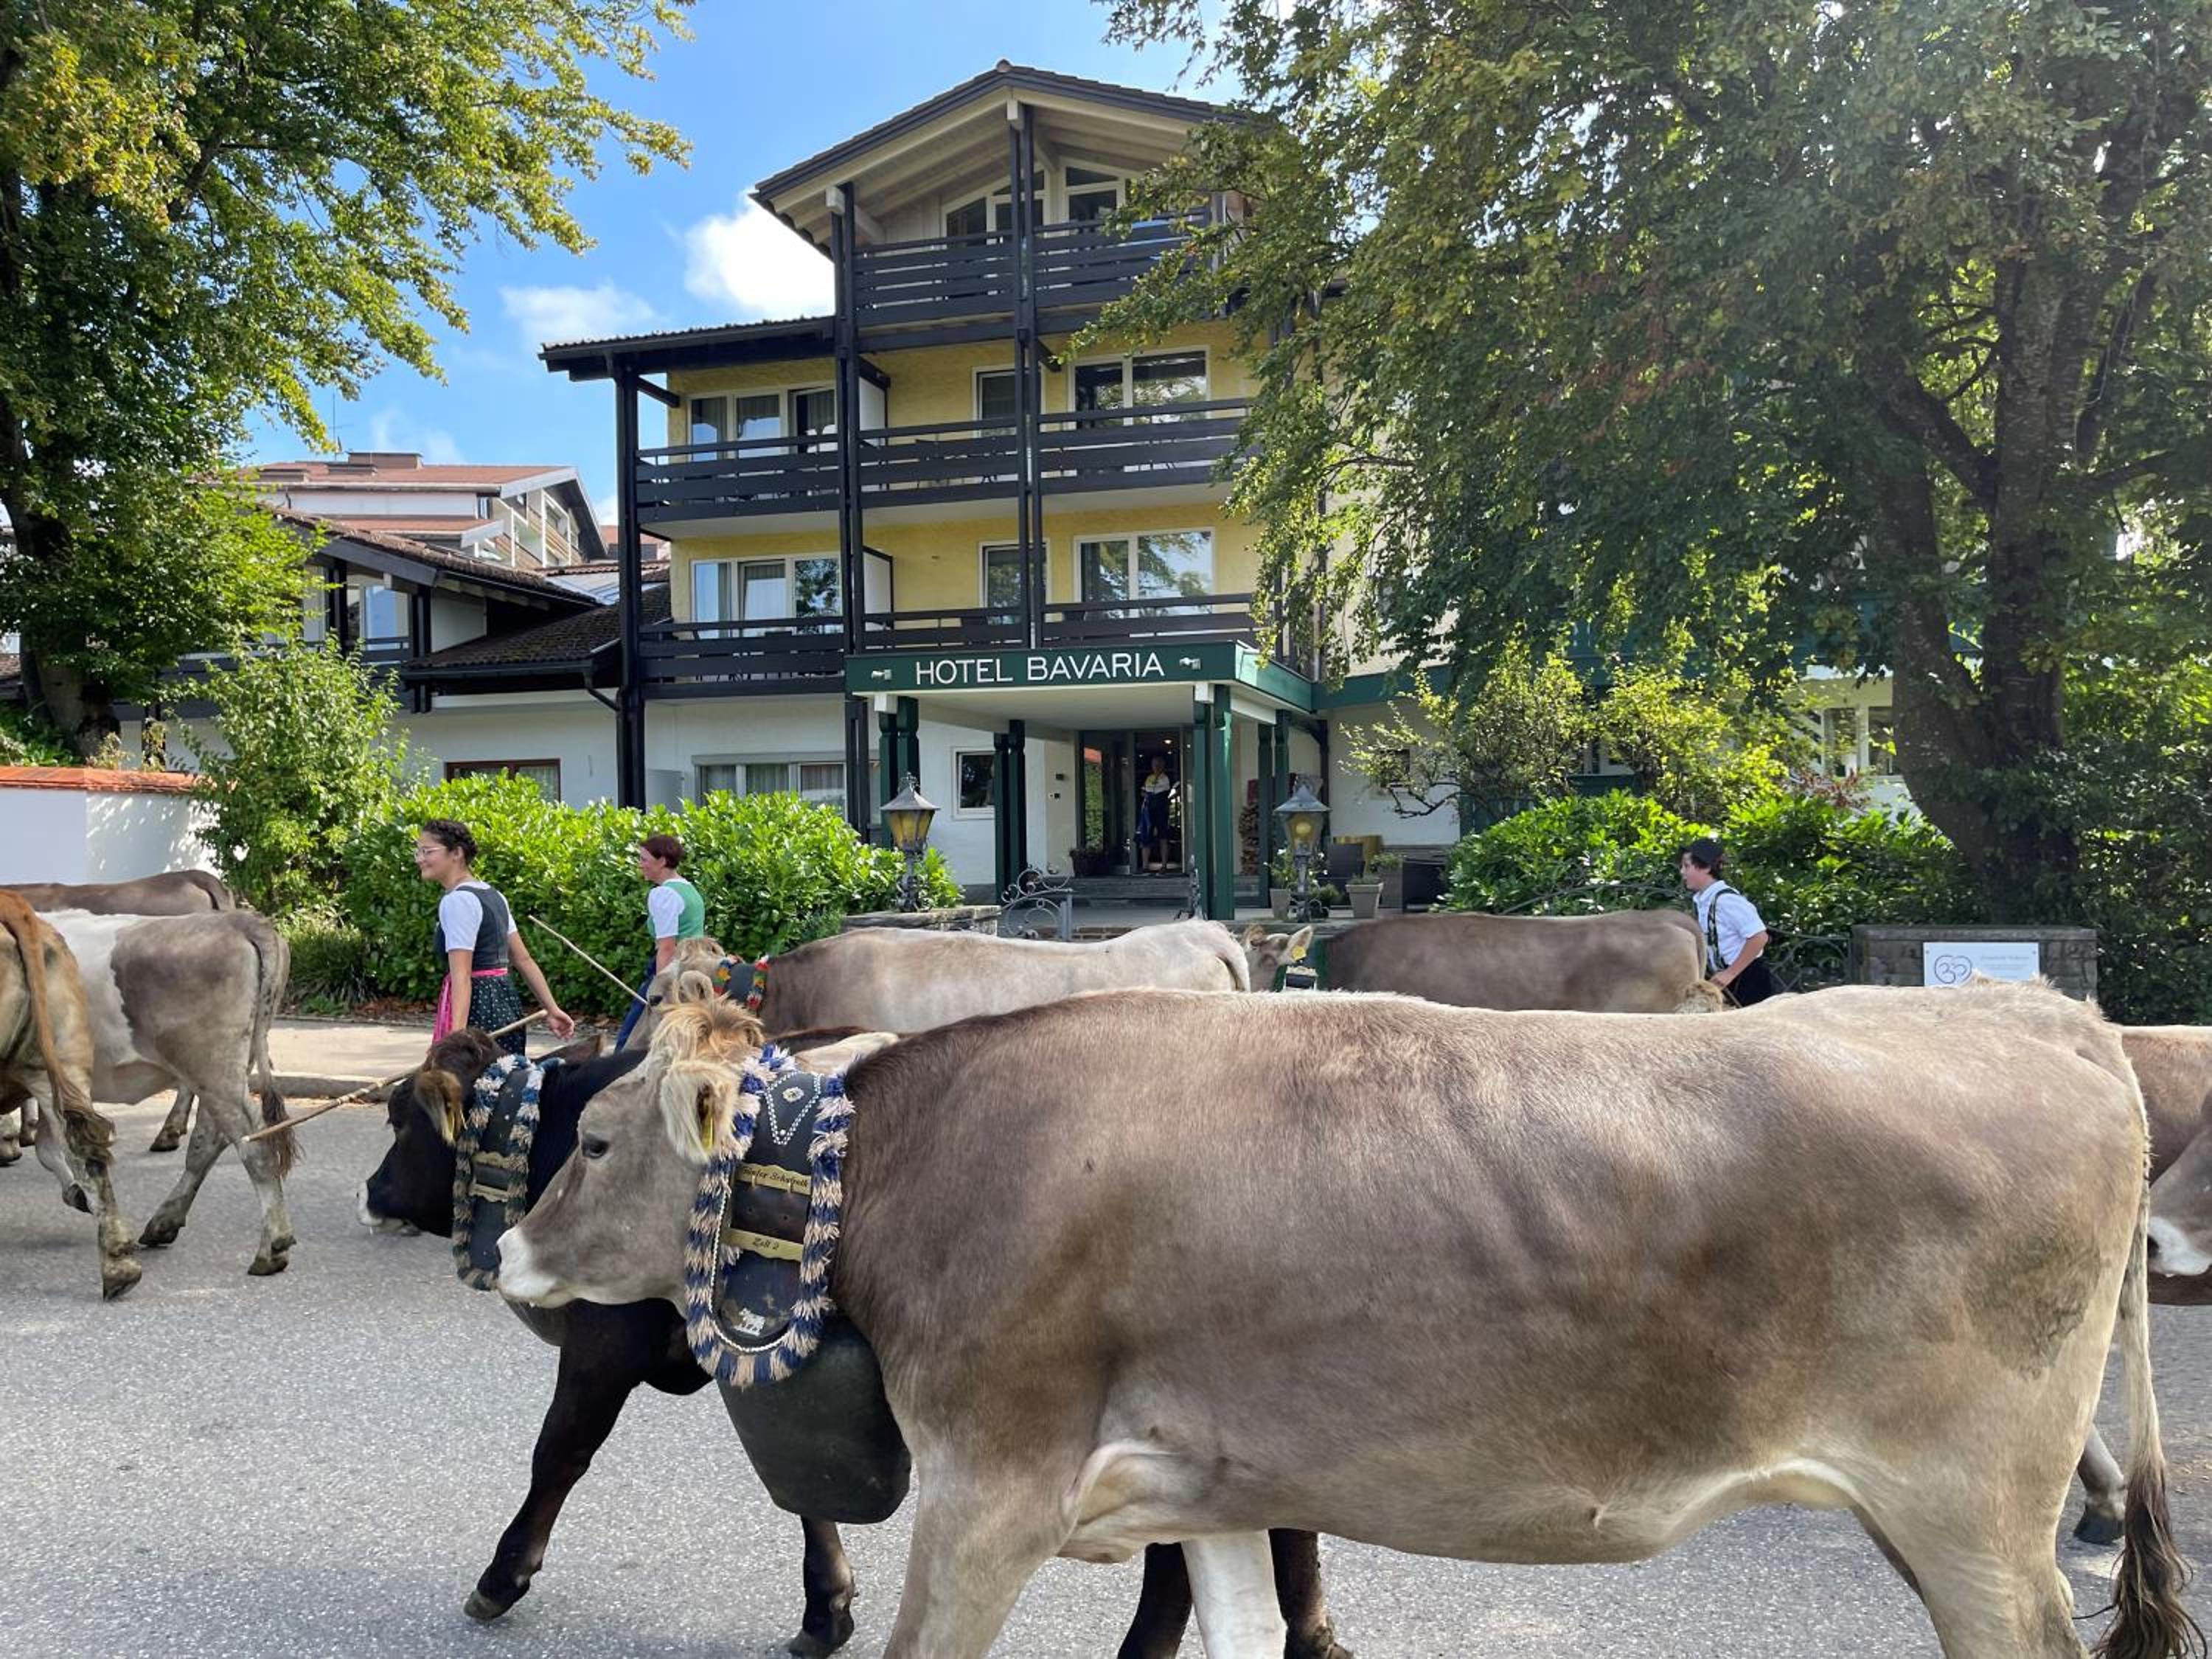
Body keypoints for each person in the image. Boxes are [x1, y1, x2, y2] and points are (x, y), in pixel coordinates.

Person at [414, 819, 574, 1054]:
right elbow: (523, 960)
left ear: (456, 853)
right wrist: (552, 1009)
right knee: (506, 1073)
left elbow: (462, 976)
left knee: (473, 1075)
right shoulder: (493, 894)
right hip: (505, 1003)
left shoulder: (457, 901)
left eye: (427, 851)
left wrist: (457, 1038)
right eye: (418, 851)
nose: (419, 859)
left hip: (478, 1010)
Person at [614, 833, 707, 1048]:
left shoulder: (664, 895)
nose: (640, 865)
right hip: (696, 967)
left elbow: (667, 947)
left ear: (662, 861)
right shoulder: (689, 889)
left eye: (644, 859)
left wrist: (661, 988)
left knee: (631, 1036)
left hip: (674, 970)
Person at [1680, 837, 1776, 1006]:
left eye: (1687, 866)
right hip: (1726, 978)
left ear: (1706, 867)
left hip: (1747, 978)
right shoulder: (1703, 901)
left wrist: (1730, 974)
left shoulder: (1727, 900)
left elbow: (1759, 937)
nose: (1682, 872)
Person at [1138, 757, 1174, 872]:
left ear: (1163, 765)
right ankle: (1145, 866)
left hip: (1162, 810)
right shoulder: (1148, 778)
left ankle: (1164, 866)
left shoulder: (1168, 777)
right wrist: (1148, 797)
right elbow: (1142, 791)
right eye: (1154, 764)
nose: (1156, 766)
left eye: (1159, 764)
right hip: (1149, 810)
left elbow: (1177, 789)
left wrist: (1168, 799)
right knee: (1146, 836)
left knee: (1163, 837)